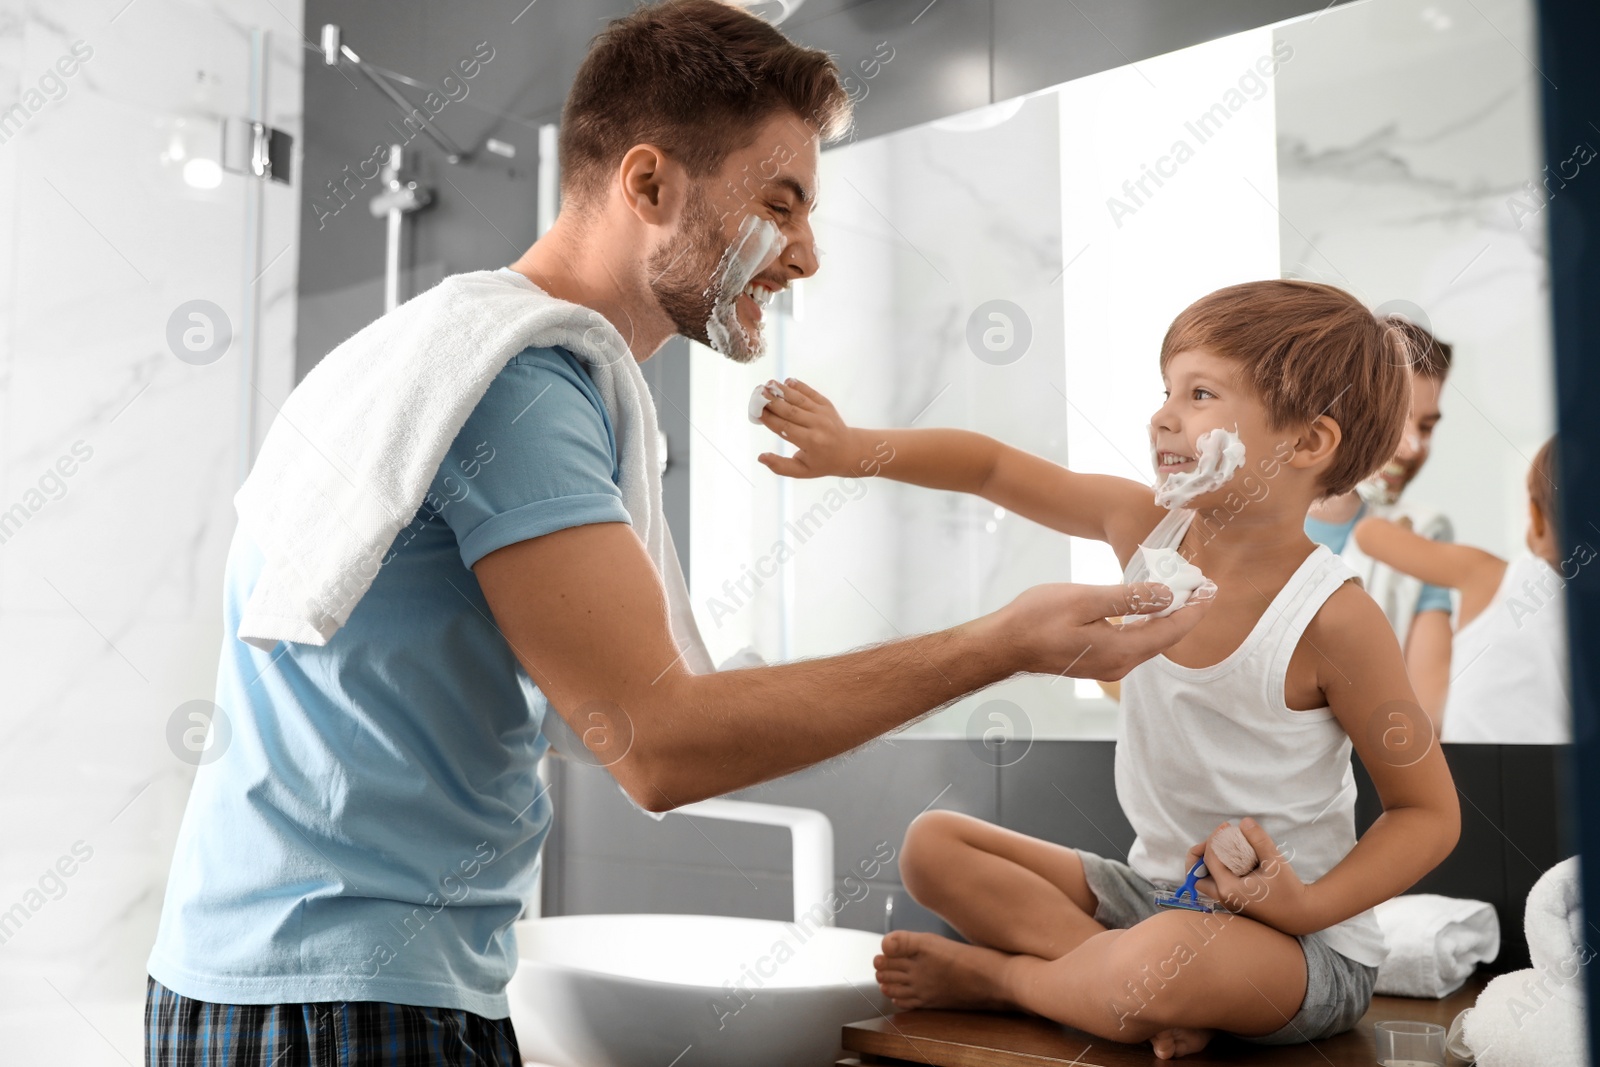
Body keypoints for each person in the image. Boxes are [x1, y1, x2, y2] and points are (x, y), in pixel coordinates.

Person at [141, 3, 1209, 1063]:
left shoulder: (438, 350)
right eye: (780, 204)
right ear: (648, 183)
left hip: (283, 973)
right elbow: (655, 744)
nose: (807, 255)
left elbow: (588, 709)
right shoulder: (520, 383)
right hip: (345, 999)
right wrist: (1006, 640)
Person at [756, 279, 1461, 1059]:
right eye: (1166, 389)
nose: (1164, 414)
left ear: (1308, 443)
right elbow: (992, 468)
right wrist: (857, 451)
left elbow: (1428, 814)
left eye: (1200, 393)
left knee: (1162, 959)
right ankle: (1122, 992)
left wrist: (1303, 905)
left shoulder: (1332, 616)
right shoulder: (1146, 527)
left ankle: (1007, 981)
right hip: (1152, 896)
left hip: (1297, 947)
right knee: (934, 846)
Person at [1354, 436, 1573, 743]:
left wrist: (1403, 529)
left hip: (1470, 778)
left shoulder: (1487, 576)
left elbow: (1368, 535)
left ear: (1536, 519)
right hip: (1565, 783)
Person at [1306, 318, 1455, 724]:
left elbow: (1427, 718)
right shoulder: (1236, 523)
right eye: (1396, 418)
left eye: (1426, 426)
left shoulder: (1424, 532)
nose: (1413, 446)